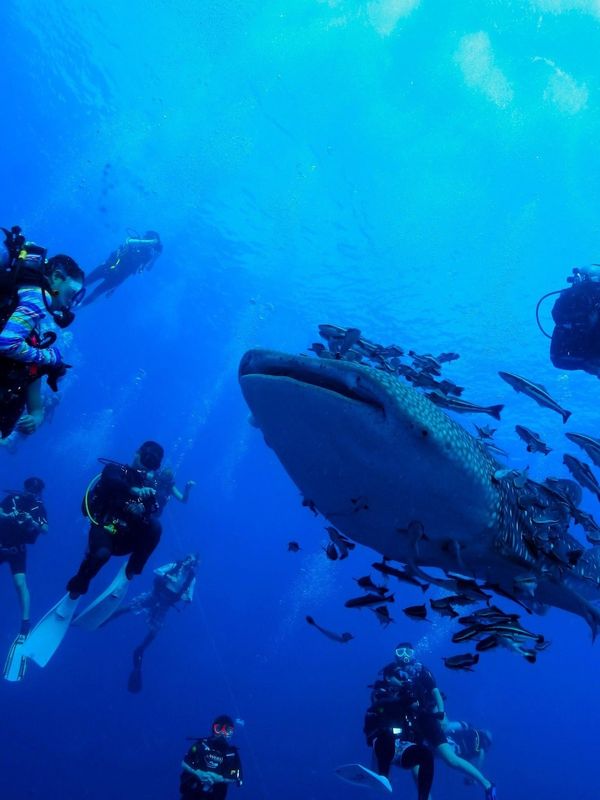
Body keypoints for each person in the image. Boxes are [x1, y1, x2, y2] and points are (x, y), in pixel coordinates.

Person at [380, 643, 497, 799]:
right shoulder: (389, 670)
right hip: (407, 723)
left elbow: (435, 692)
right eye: (400, 652)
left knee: (450, 759)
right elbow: (385, 686)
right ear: (395, 654)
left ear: (413, 653)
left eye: (408, 651)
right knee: (415, 766)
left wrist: (441, 713)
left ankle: (487, 784)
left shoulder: (422, 671)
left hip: (426, 718)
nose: (404, 655)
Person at [0, 230, 85, 438]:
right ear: (56, 278)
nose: (69, 304)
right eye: (71, 294)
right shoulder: (39, 296)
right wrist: (50, 358)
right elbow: (7, 344)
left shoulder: (23, 293)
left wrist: (37, 416)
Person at [66, 440, 165, 599]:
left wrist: (142, 510)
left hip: (128, 539)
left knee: (156, 526)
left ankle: (132, 568)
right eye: (146, 459)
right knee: (101, 555)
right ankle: (78, 586)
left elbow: (154, 508)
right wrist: (134, 491)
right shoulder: (115, 470)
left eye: (152, 464)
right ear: (137, 454)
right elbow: (111, 480)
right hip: (105, 531)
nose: (146, 466)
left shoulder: (149, 486)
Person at [105, 553, 199, 693]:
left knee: (154, 631)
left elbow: (188, 596)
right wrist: (168, 577)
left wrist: (185, 596)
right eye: (188, 559)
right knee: (130, 607)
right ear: (186, 559)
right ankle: (105, 618)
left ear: (194, 565)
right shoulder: (175, 566)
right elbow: (158, 571)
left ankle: (140, 649)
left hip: (165, 603)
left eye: (192, 562)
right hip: (155, 595)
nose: (189, 563)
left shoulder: (191, 578)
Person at [364, 668, 435, 799]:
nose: (403, 678)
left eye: (405, 676)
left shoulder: (406, 694)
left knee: (426, 754)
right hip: (382, 745)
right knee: (386, 734)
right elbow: (384, 703)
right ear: (388, 677)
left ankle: (423, 797)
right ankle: (383, 776)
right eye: (400, 675)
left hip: (402, 747)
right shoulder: (379, 693)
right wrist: (405, 698)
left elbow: (418, 710)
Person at [0, 477, 48, 636]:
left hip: (17, 550)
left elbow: (45, 529)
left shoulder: (38, 508)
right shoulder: (12, 499)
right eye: (29, 489)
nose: (31, 493)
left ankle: (25, 622)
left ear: (39, 493)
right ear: (24, 487)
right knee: (21, 584)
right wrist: (7, 515)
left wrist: (31, 521)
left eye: (35, 491)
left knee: (20, 583)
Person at [82, 231, 162, 306]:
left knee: (96, 293)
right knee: (85, 282)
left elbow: (147, 268)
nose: (151, 243)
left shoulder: (147, 256)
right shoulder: (136, 242)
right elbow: (129, 241)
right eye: (149, 238)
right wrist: (150, 242)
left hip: (117, 278)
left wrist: (156, 256)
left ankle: (77, 307)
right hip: (107, 267)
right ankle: (70, 293)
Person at [547, 265, 600, 376]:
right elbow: (557, 315)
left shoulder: (574, 295)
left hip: (581, 355)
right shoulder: (571, 295)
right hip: (571, 354)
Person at [180, 714, 243, 799]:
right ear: (213, 730)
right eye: (218, 729)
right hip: (191, 793)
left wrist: (219, 778)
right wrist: (199, 773)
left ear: (231, 733)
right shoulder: (201, 745)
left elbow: (238, 777)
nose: (222, 733)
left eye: (227, 730)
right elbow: (184, 762)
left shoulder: (232, 754)